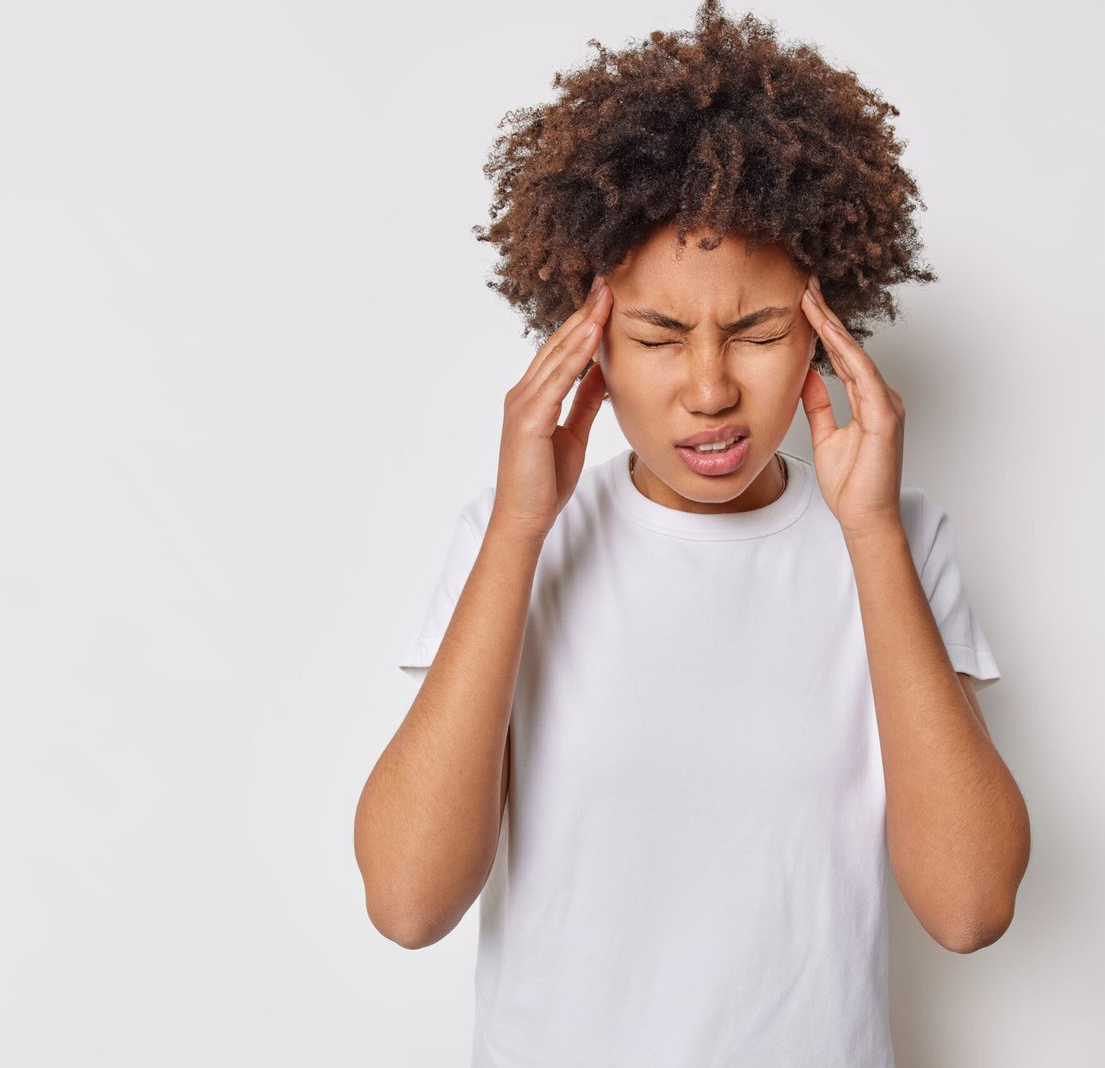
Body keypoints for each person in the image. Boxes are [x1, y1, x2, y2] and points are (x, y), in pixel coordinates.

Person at [354, 2, 1031, 1064]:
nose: (710, 388)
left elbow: (969, 907)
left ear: (825, 330)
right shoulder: (512, 539)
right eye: (659, 335)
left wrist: (869, 539)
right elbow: (405, 902)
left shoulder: (895, 542)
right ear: (587, 343)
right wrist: (522, 528)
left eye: (758, 333)